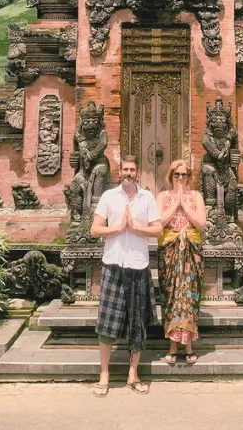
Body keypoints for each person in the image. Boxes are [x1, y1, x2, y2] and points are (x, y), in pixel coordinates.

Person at [90, 155, 161, 396]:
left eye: (132, 169)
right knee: (107, 324)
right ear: (119, 172)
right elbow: (94, 229)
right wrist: (118, 228)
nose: (129, 173)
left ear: (137, 172)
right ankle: (104, 374)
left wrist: (137, 228)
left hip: (138, 266)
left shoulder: (147, 197)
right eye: (125, 170)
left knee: (137, 323)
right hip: (113, 265)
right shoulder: (109, 197)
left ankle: (133, 374)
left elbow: (158, 229)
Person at [156, 159, 206, 365]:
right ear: (171, 176)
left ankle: (188, 346)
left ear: (189, 177)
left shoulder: (196, 196)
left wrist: (184, 203)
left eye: (184, 175)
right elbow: (159, 224)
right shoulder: (162, 197)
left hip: (191, 252)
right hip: (170, 251)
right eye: (177, 175)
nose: (180, 179)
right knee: (172, 297)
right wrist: (176, 202)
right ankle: (173, 346)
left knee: (188, 299)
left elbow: (201, 224)